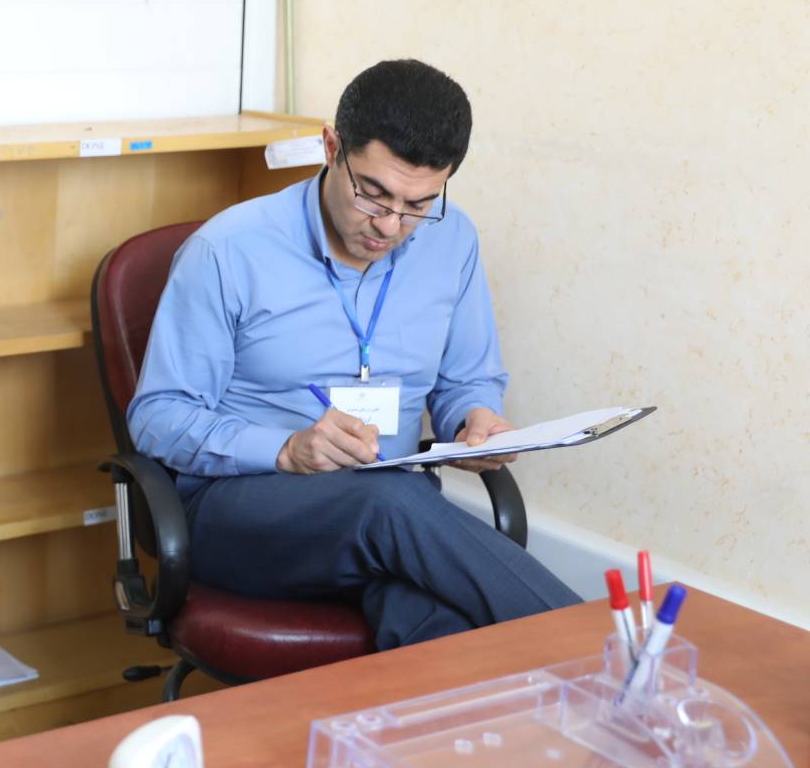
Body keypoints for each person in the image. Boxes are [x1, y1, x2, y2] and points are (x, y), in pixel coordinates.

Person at [127, 59, 579, 651]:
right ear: (331, 147)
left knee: (436, 624)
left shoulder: (452, 240)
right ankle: (607, 647)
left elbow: (466, 380)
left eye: (418, 203)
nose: (390, 225)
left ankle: (553, 695)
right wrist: (286, 449)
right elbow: (158, 417)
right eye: (373, 193)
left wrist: (474, 420)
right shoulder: (227, 251)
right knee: (390, 502)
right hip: (243, 510)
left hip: (389, 519)